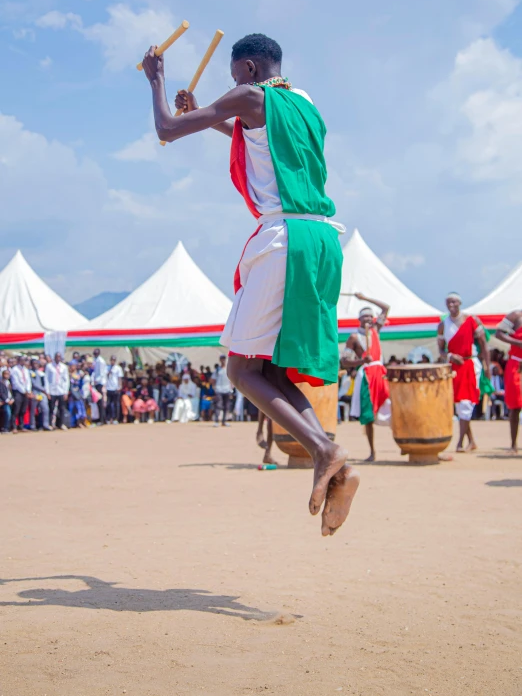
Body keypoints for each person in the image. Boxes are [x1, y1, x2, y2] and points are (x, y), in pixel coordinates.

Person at [141, 33, 359, 535]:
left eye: (236, 74)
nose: (232, 84)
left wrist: (157, 81)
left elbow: (167, 129)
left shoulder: (249, 96)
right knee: (273, 372)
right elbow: (261, 141)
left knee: (240, 369)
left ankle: (326, 450)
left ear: (253, 68)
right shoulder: (303, 104)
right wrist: (212, 114)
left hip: (284, 239)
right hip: (322, 239)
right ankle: (338, 468)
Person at [437, 293, 490, 452]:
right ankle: (471, 441)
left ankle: (460, 442)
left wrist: (487, 367)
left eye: (453, 301)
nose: (450, 304)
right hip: (454, 366)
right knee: (460, 404)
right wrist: (451, 356)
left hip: (470, 364)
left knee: (466, 402)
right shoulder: (443, 324)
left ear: (459, 302)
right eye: (448, 302)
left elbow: (484, 344)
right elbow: (440, 349)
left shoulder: (471, 320)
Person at [342, 294, 391, 461]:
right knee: (368, 415)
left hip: (381, 374)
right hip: (366, 378)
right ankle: (372, 451)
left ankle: (403, 442)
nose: (368, 319)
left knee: (393, 406)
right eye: (364, 317)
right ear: (359, 320)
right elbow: (344, 361)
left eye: (370, 316)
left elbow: (386, 307)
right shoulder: (354, 337)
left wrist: (365, 299)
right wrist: (361, 360)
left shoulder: (376, 330)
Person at [495, 310, 522, 454]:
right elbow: (498, 333)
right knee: (515, 406)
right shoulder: (515, 316)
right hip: (516, 365)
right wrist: (517, 343)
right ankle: (513, 444)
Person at [45, 352, 70, 430]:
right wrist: (47, 391)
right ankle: (50, 424)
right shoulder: (49, 366)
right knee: (51, 408)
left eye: (59, 357)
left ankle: (61, 424)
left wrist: (66, 392)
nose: (58, 358)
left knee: (61, 408)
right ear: (54, 357)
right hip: (52, 390)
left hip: (61, 390)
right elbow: (46, 379)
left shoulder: (64, 367)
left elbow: (66, 380)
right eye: (57, 357)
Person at [10, 355, 32, 433]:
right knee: (16, 409)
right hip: (18, 392)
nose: (23, 362)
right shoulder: (14, 370)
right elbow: (16, 383)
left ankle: (21, 426)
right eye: (22, 360)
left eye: (24, 360)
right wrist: (24, 391)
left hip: (26, 392)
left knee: (23, 410)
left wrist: (28, 390)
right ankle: (14, 427)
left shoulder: (26, 370)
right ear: (19, 361)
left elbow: (28, 381)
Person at [29, 358, 51, 431]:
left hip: (41, 393)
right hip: (34, 393)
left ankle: (45, 424)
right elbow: (34, 384)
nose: (36, 365)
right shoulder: (30, 372)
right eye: (34, 363)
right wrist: (43, 389)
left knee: (45, 408)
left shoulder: (39, 372)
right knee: (33, 410)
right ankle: (32, 426)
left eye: (36, 363)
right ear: (31, 364)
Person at [212, 355, 233, 428]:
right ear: (220, 360)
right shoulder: (217, 370)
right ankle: (216, 421)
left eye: (224, 359)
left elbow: (231, 380)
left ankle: (224, 421)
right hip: (219, 390)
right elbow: (213, 380)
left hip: (227, 390)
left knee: (226, 406)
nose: (223, 360)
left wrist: (231, 389)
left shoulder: (228, 369)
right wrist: (214, 388)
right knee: (218, 405)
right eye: (222, 359)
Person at [106, 356, 124, 424]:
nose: (112, 361)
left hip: (115, 387)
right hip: (108, 387)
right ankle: (109, 418)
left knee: (116, 404)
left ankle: (116, 418)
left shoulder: (118, 368)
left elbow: (120, 378)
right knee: (108, 404)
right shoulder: (107, 367)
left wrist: (120, 386)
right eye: (111, 360)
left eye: (114, 360)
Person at [92, 348, 107, 425]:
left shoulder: (100, 361)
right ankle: (100, 418)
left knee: (100, 402)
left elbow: (101, 373)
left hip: (99, 383)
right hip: (97, 383)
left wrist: (95, 381)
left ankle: (102, 419)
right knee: (98, 402)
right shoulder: (96, 360)